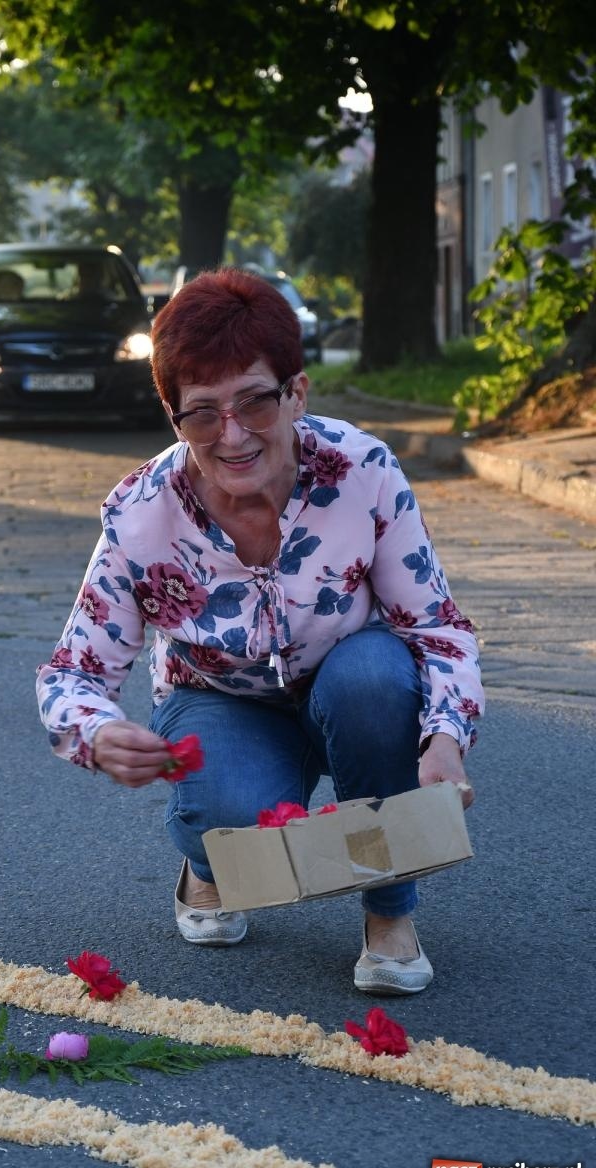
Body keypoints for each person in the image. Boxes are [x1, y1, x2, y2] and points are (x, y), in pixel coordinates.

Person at [36, 268, 484, 995]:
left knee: (374, 678)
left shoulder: (362, 471)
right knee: (232, 813)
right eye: (203, 413)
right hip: (220, 698)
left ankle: (389, 911)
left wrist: (443, 742)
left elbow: (437, 629)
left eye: (254, 402)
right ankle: (208, 859)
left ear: (296, 393)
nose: (233, 435)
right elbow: (73, 673)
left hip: (351, 683)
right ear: (174, 418)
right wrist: (94, 732)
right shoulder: (141, 512)